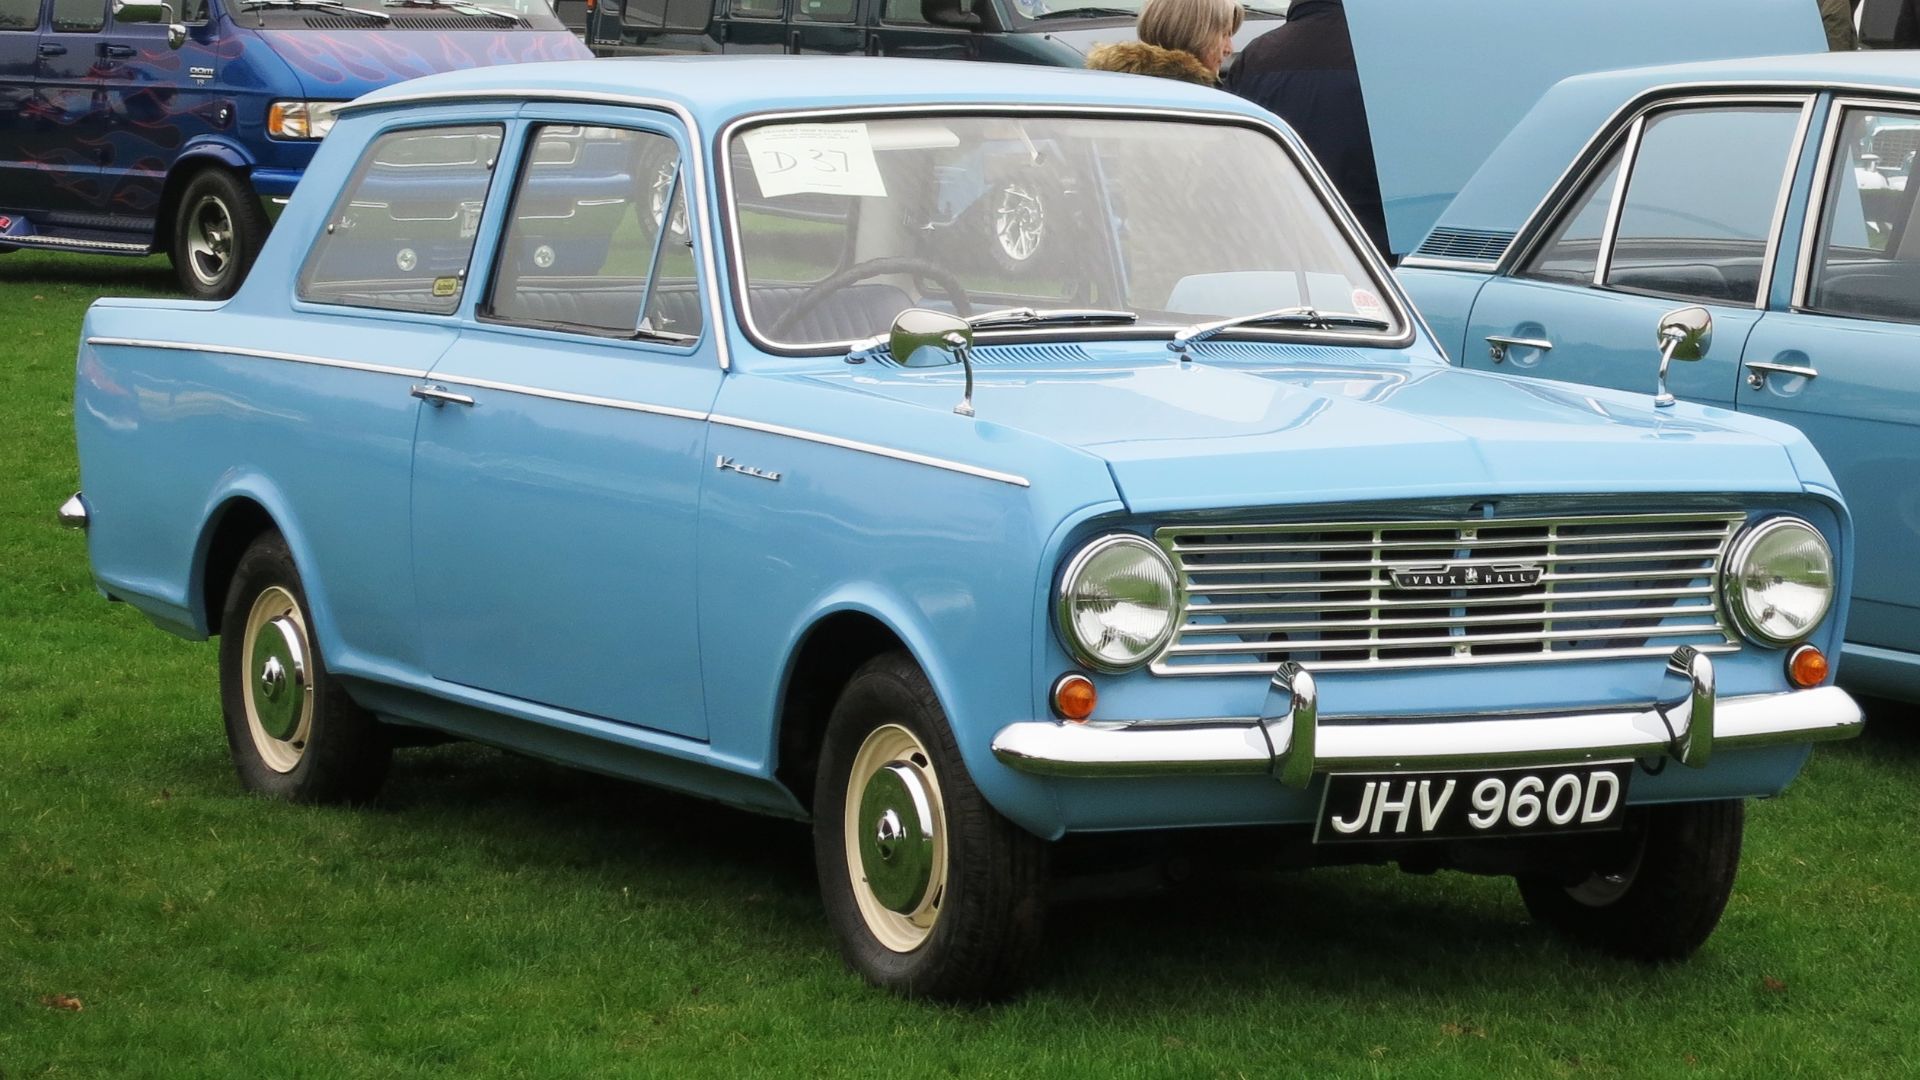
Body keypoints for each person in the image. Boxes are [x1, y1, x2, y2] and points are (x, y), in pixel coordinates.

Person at [1224, 0, 1391, 256]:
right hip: (1371, 242)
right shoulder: (1384, 54)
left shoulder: (1255, 55)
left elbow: (1236, 158)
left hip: (1282, 235)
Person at [1085, 0, 1244, 87]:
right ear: (1192, 34)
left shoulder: (1102, 86)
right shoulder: (1193, 105)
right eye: (1224, 35)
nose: (1229, 49)